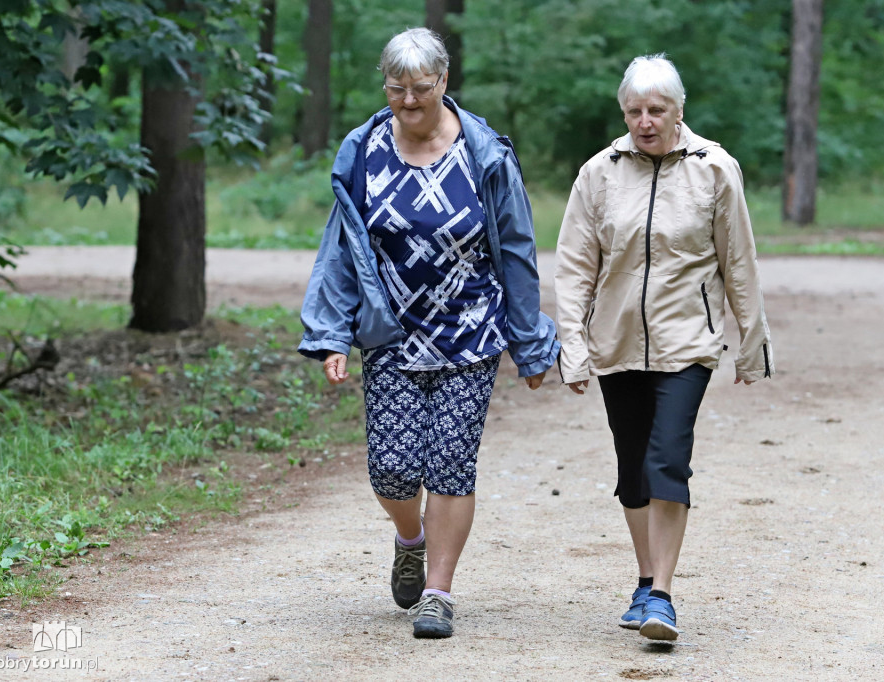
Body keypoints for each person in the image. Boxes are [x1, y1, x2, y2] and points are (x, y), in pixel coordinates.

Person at [298, 27, 559, 639]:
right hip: (390, 332)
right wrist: (333, 333)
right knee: (391, 469)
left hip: (471, 329)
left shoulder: (483, 152)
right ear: (384, 85)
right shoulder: (363, 150)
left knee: (450, 462)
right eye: (397, 89)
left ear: (443, 81)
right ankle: (408, 538)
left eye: (420, 88)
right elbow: (341, 248)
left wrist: (528, 342)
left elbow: (516, 250)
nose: (409, 100)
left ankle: (437, 593)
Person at [554, 54, 774, 642]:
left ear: (679, 110)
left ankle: (663, 596)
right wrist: (571, 346)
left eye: (656, 110)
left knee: (666, 460)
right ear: (622, 112)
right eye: (634, 111)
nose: (645, 121)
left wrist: (751, 344)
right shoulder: (598, 174)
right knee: (633, 471)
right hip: (618, 342)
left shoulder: (715, 170)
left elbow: (739, 262)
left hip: (687, 343)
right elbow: (575, 267)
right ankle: (645, 578)